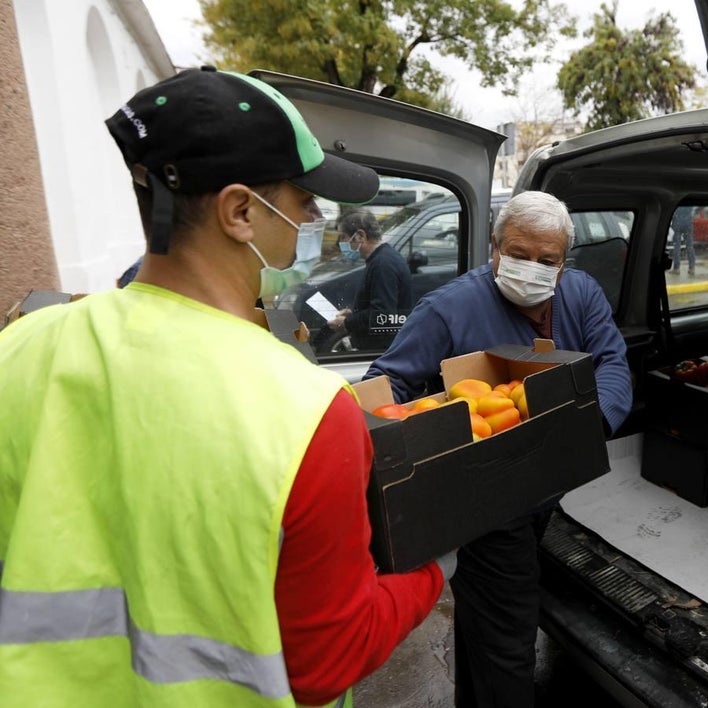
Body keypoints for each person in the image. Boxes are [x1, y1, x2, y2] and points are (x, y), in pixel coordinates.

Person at [0, 67, 453, 706]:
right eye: (303, 204)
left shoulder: (18, 350)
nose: (313, 224)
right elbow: (327, 662)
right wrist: (435, 569)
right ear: (240, 211)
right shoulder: (304, 412)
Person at [363, 190, 632, 707]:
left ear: (562, 263)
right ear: (494, 250)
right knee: (507, 644)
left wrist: (593, 424)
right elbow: (387, 385)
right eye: (518, 254)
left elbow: (612, 361)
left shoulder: (581, 294)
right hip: (489, 503)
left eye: (546, 260)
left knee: (491, 628)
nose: (531, 268)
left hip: (556, 486)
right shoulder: (448, 309)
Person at [326, 209, 413, 350]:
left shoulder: (383, 264)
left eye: (343, 237)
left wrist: (347, 323)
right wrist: (353, 314)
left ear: (360, 236)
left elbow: (382, 316)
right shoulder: (381, 259)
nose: (341, 243)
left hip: (379, 352)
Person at [670, 205, 696, 275]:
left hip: (677, 223)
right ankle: (692, 268)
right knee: (690, 246)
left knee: (677, 246)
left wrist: (673, 220)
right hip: (688, 223)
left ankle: (676, 268)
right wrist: (695, 212)